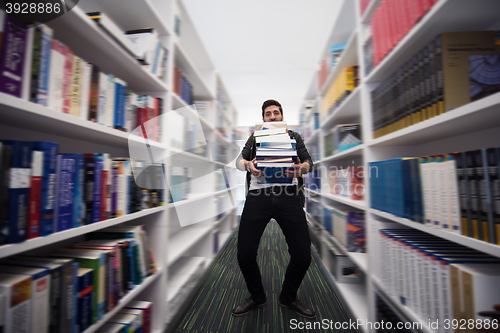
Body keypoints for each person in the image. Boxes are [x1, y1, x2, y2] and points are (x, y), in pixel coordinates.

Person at [232, 99, 315, 319]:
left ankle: (288, 297)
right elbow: (239, 161)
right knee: (244, 254)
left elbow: (309, 162)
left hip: (289, 198)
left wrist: (301, 169)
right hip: (258, 197)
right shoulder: (255, 137)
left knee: (303, 255)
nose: (272, 116)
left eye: (276, 113)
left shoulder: (294, 137)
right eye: (268, 114)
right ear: (263, 118)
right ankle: (257, 296)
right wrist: (248, 165)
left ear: (281, 116)